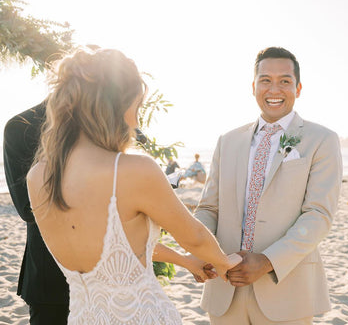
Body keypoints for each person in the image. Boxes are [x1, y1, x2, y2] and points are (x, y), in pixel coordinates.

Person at [26, 48, 241, 324]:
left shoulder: (38, 176)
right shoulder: (132, 170)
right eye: (136, 107)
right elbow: (194, 236)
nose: (137, 121)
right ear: (116, 106)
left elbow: (122, 249)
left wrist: (188, 262)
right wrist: (225, 263)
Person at [194, 47, 342, 324]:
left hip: (285, 288)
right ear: (253, 87)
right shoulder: (228, 141)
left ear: (298, 88)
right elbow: (208, 208)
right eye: (265, 80)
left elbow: (318, 215)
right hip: (225, 289)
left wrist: (267, 261)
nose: (274, 88)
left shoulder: (322, 139)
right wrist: (200, 250)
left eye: (284, 81)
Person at [3, 101, 70, 324]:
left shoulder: (111, 120)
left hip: (110, 280)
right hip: (52, 279)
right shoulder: (22, 127)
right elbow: (28, 208)